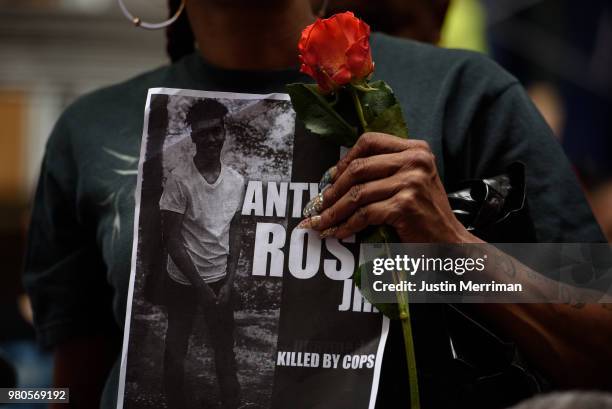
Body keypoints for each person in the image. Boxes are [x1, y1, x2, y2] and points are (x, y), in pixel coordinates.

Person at [22, 0, 611, 408]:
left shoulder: (463, 96)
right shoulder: (91, 131)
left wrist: (450, 249)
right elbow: (68, 387)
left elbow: (598, 350)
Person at [159, 98, 243, 408]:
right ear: (193, 136)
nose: (210, 139)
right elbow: (171, 239)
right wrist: (201, 288)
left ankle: (231, 402)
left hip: (220, 280)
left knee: (225, 350)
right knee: (176, 348)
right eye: (203, 133)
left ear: (224, 132)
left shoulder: (236, 181)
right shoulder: (180, 181)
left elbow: (235, 229)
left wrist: (229, 281)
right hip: (183, 281)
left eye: (216, 131)